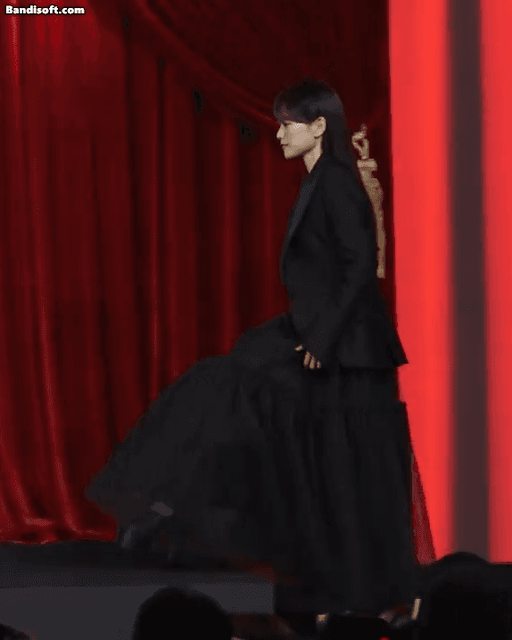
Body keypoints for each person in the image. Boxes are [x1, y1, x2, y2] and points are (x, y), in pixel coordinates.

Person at [85, 78, 433, 622]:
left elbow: (359, 267)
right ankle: (175, 516)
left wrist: (322, 339)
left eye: (289, 124)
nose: (279, 134)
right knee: (226, 388)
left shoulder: (336, 183)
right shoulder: (320, 180)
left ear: (319, 126)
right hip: (314, 329)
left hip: (343, 344)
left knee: (250, 401)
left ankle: (189, 522)